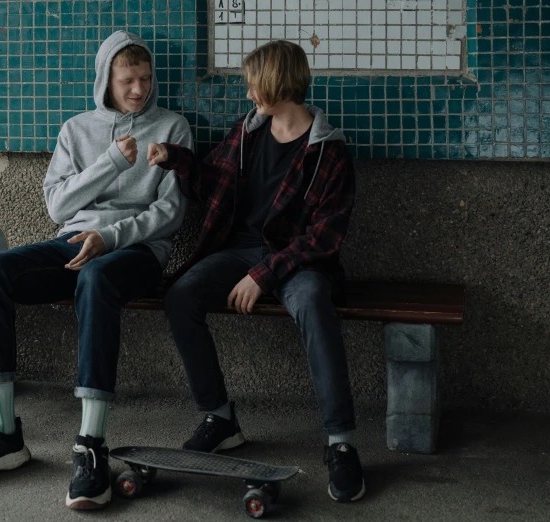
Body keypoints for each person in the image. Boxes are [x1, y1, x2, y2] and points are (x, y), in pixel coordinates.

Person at [0, 31, 193, 511]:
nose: (138, 90)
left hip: (136, 252)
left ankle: (90, 444)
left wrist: (110, 238)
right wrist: (112, 161)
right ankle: (2, 434)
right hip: (72, 242)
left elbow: (171, 213)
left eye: (145, 78)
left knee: (97, 278)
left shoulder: (172, 127)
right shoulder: (76, 130)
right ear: (106, 80)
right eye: (126, 81)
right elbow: (58, 205)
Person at [148, 40, 365, 502]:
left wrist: (264, 274)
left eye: (252, 84)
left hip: (297, 262)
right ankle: (220, 417)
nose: (248, 94)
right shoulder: (247, 134)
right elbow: (210, 184)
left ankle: (341, 442)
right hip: (238, 251)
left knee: (311, 300)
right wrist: (175, 159)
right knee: (181, 296)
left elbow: (324, 238)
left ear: (275, 83)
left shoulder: (328, 153)